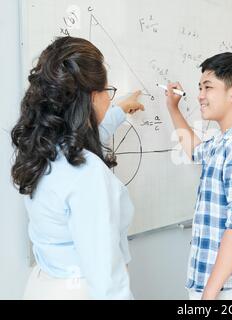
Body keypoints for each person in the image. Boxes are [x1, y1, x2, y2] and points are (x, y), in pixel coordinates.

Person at [11, 36, 144, 299]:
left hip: (42, 286)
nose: (109, 98)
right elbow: (106, 278)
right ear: (91, 99)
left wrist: (119, 111)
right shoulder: (87, 172)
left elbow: (86, 141)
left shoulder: (43, 149)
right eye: (107, 92)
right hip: (82, 290)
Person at [164, 52, 232, 300]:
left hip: (229, 288)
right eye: (200, 87)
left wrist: (209, 294)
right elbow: (195, 150)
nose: (200, 95)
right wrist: (172, 108)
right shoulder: (225, 140)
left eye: (208, 87)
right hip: (212, 283)